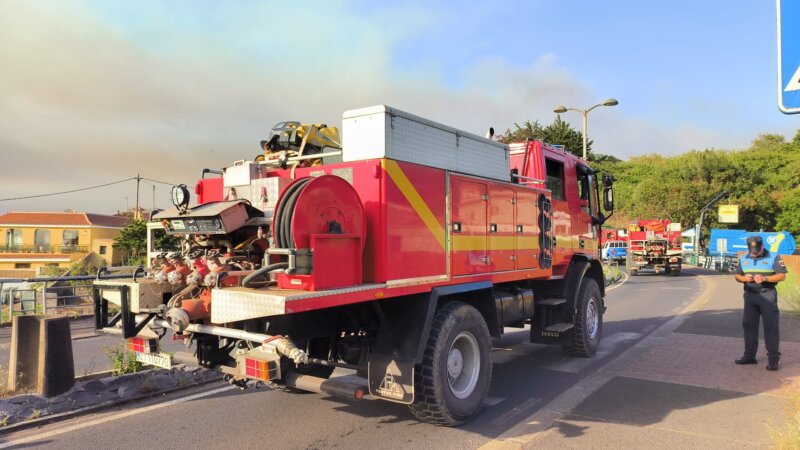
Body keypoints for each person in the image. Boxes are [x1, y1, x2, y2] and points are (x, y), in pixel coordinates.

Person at [733, 236, 787, 371]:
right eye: (752, 251)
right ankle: (750, 356)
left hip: (767, 295)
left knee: (771, 328)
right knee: (749, 326)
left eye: (756, 250)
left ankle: (773, 360)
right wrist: (744, 278)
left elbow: (782, 276)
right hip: (750, 296)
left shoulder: (774, 256)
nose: (754, 253)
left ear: (762, 246)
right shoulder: (744, 258)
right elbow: (737, 276)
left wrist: (765, 278)